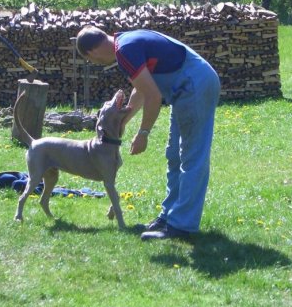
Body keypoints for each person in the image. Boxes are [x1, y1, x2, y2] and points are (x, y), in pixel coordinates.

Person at [76, 26, 220, 240]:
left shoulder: (124, 50)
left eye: (91, 61)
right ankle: (170, 216)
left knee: (192, 157)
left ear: (91, 53)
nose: (95, 64)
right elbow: (141, 89)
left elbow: (153, 96)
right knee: (174, 155)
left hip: (195, 84)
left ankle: (182, 226)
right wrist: (124, 120)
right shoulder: (123, 44)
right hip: (185, 89)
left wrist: (143, 133)